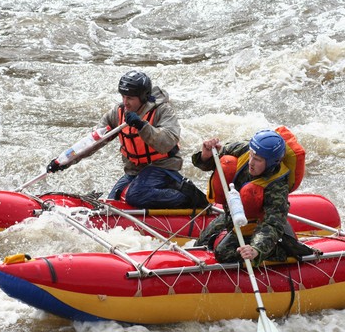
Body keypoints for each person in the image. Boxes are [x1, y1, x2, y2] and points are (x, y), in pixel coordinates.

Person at [47, 70, 208, 209]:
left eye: (130, 98)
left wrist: (141, 125)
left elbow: (167, 142)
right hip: (135, 171)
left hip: (162, 167)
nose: (125, 102)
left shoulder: (163, 111)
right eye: (123, 96)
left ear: (143, 97)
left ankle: (186, 197)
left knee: (135, 195)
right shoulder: (117, 113)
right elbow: (93, 141)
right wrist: (64, 160)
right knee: (112, 201)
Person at [192, 129, 311, 266]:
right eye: (252, 155)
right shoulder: (245, 149)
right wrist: (205, 156)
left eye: (258, 160)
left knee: (223, 253)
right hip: (235, 215)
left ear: (272, 162)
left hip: (259, 225)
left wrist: (256, 249)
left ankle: (281, 250)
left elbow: (272, 223)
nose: (251, 162)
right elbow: (216, 158)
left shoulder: (277, 186)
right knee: (201, 243)